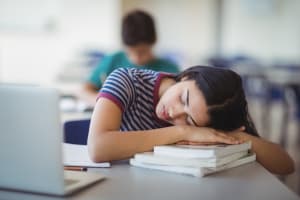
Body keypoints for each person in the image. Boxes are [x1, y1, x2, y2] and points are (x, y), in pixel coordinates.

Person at [87, 66, 295, 175]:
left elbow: (285, 165)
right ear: (186, 76)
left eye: (189, 119)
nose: (174, 113)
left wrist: (233, 134)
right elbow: (98, 148)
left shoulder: (205, 125)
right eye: (183, 98)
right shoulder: (126, 80)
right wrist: (183, 132)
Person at [80, 10, 180, 106]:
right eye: (131, 51)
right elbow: (84, 90)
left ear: (153, 43)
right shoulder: (113, 60)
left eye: (143, 51)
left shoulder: (169, 70)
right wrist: (104, 103)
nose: (137, 58)